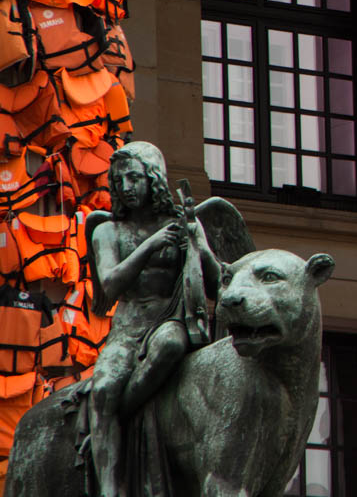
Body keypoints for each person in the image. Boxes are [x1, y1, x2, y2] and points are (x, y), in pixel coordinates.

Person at [86, 141, 221, 497]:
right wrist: (151, 244)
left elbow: (216, 283)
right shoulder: (107, 231)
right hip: (127, 330)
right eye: (119, 181)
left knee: (171, 345)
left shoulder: (182, 223)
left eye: (134, 177)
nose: (126, 187)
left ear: (154, 178)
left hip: (169, 320)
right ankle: (110, 488)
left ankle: (125, 413)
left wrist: (198, 243)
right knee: (101, 390)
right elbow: (110, 285)